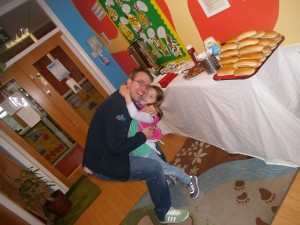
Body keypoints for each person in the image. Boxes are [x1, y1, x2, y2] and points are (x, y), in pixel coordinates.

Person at [83, 68, 190, 223]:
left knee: (155, 149)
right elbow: (117, 147)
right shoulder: (117, 107)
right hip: (107, 161)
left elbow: (147, 114)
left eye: (147, 86)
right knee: (154, 168)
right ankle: (164, 213)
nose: (143, 89)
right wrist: (142, 136)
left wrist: (155, 111)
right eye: (140, 82)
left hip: (115, 147)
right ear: (129, 82)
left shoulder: (128, 96)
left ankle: (164, 178)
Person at [119, 84, 199, 199]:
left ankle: (189, 179)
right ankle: (166, 177)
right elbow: (130, 110)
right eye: (146, 93)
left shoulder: (150, 115)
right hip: (133, 150)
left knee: (164, 168)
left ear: (156, 103)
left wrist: (126, 95)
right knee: (144, 172)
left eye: (151, 96)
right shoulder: (139, 106)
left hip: (144, 151)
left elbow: (134, 114)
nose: (146, 96)